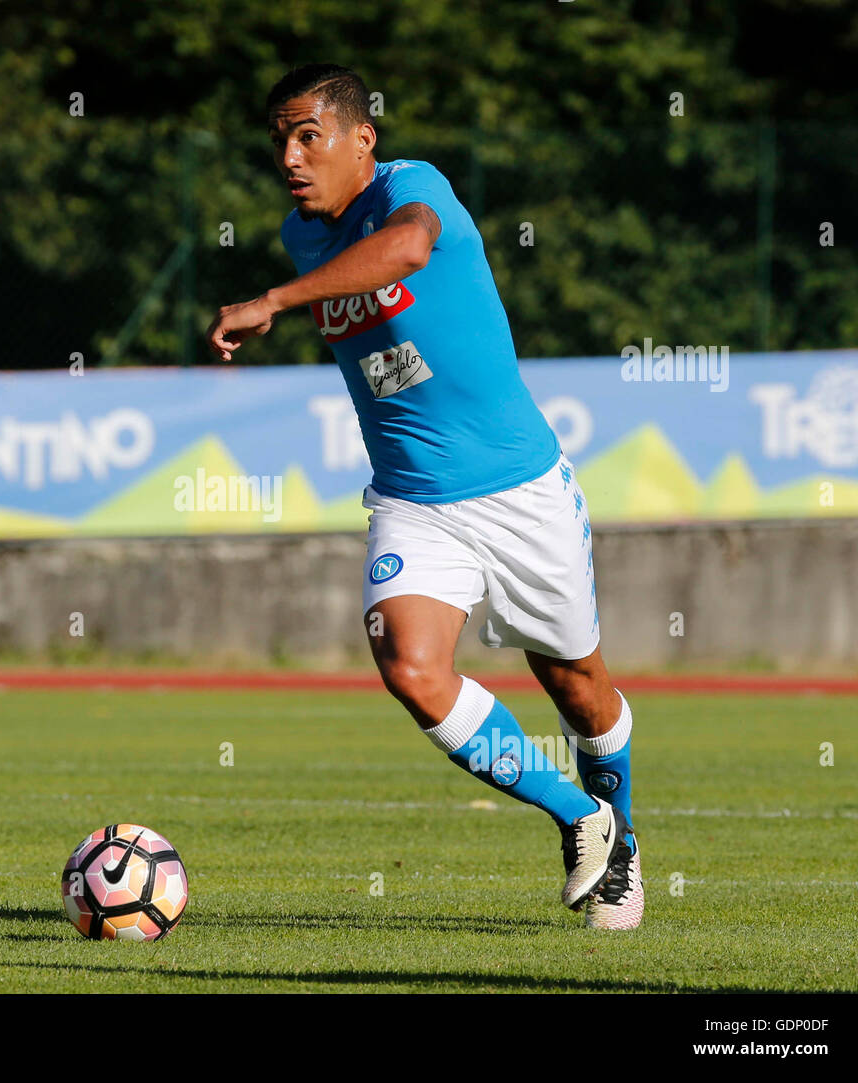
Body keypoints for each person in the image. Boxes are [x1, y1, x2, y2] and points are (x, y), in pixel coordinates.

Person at [205, 64, 642, 929]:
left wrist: (275, 302)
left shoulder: (414, 186)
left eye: (309, 136)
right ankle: (585, 820)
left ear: (362, 139)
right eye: (280, 141)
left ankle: (621, 839)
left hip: (520, 489)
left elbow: (406, 249)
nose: (291, 157)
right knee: (411, 667)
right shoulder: (304, 233)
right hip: (413, 498)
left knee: (579, 688)